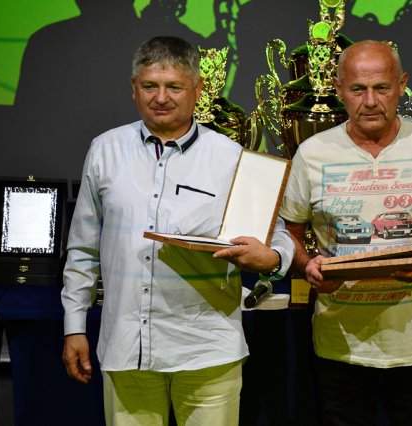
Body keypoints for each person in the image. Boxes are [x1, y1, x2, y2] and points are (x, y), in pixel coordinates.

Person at [60, 36, 294, 425]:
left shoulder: (230, 156)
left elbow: (279, 235)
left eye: (174, 87)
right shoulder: (104, 150)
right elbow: (83, 250)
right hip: (126, 349)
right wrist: (74, 327)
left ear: (197, 90)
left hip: (208, 350)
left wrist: (271, 258)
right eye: (150, 86)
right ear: (134, 87)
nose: (161, 98)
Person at [279, 40, 412, 425]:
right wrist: (307, 266)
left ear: (402, 85)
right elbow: (286, 234)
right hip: (339, 347)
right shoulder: (312, 152)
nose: (370, 101)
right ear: (339, 89)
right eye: (358, 89)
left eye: (382, 88)